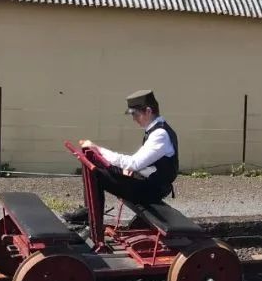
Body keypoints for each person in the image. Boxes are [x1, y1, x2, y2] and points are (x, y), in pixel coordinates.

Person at [63, 89, 179, 223]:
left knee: (96, 175)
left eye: (135, 114)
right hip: (147, 181)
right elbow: (144, 164)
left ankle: (93, 223)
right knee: (94, 167)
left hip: (152, 190)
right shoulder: (155, 130)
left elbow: (133, 163)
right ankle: (89, 212)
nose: (134, 118)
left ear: (148, 111)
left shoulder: (160, 135)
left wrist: (98, 149)